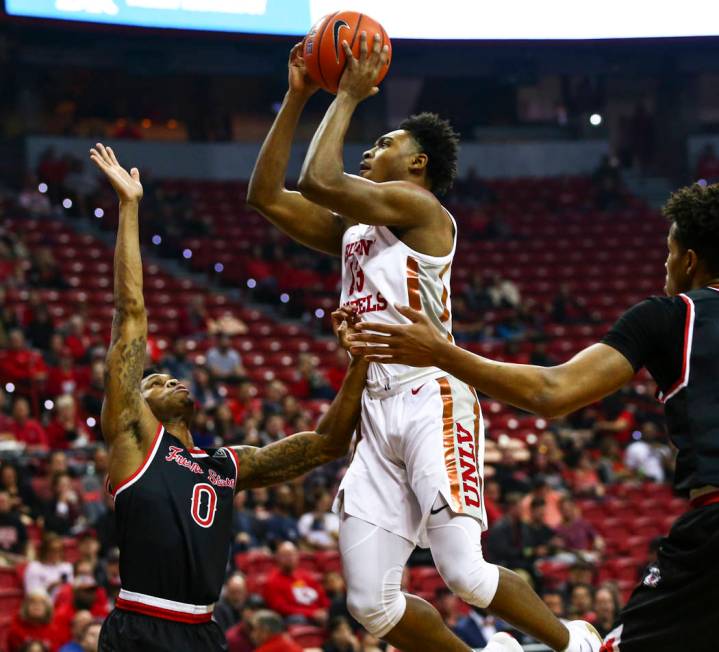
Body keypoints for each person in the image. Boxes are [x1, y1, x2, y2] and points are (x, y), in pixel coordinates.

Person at [248, 35, 594, 652]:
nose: (370, 150)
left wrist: (349, 95)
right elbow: (267, 195)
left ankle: (580, 645)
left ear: (417, 166)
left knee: (464, 571)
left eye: (386, 144)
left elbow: (317, 177)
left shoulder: (420, 207)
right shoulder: (360, 228)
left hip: (430, 394)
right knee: (370, 605)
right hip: (375, 407)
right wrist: (296, 95)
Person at [348, 181, 719, 651]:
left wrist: (442, 353)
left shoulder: (671, 315)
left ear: (688, 260)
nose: (664, 263)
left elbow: (552, 391)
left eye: (669, 251)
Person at [87, 143, 369, 652]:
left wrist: (361, 362)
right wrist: (129, 207)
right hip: (142, 627)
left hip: (205, 631)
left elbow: (326, 444)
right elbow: (130, 316)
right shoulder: (134, 437)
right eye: (153, 381)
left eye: (169, 376)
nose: (168, 379)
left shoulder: (223, 465)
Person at [263, 541, 329, 625]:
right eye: (285, 555)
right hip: (294, 618)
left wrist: (325, 610)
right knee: (298, 619)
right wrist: (311, 613)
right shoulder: (272, 581)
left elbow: (321, 596)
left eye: (292, 554)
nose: (289, 558)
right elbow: (281, 608)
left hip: (317, 615)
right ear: (277, 558)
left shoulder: (306, 576)